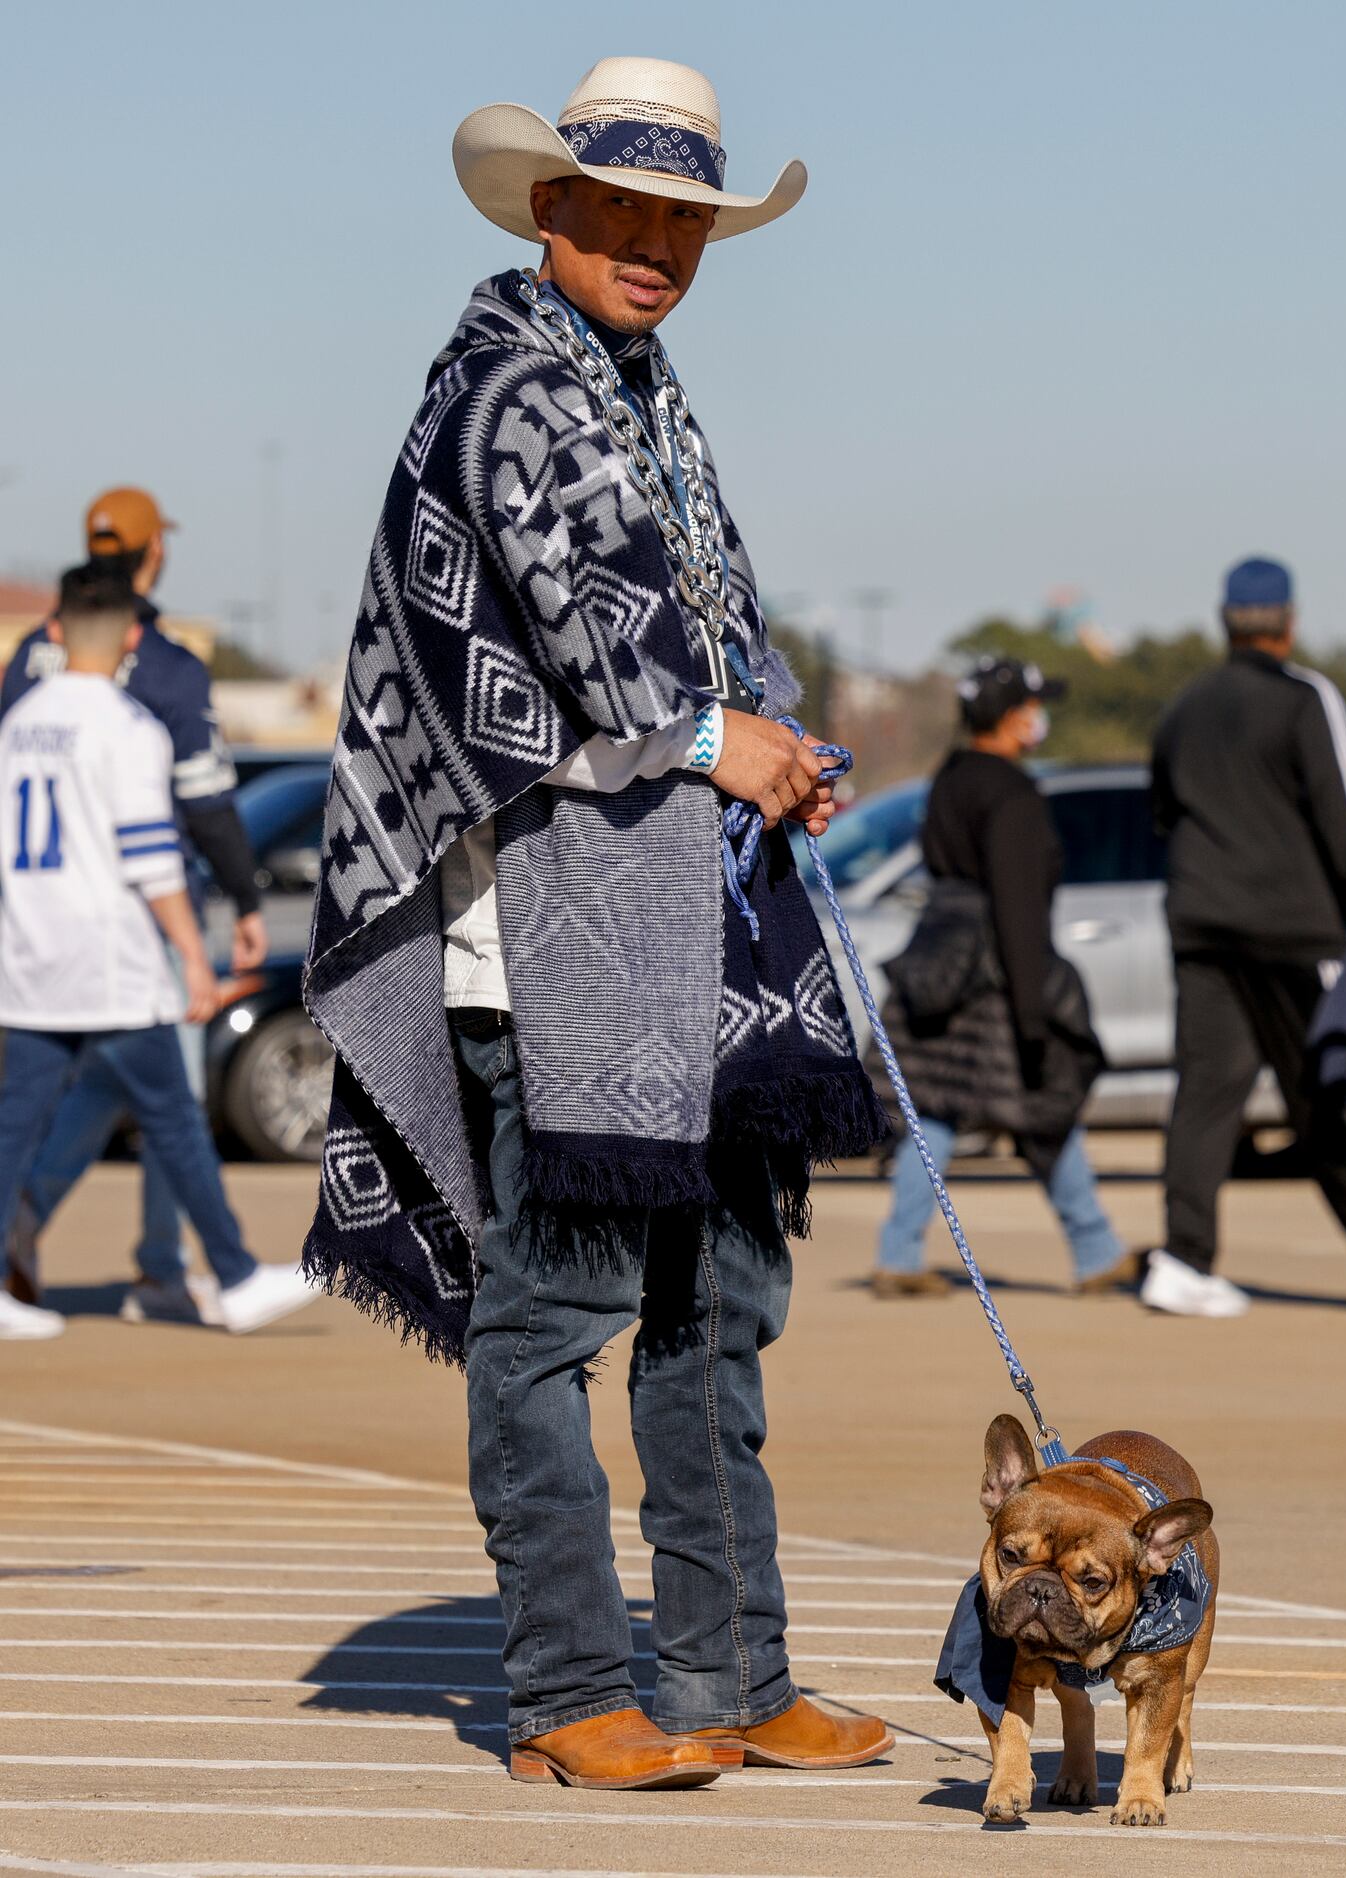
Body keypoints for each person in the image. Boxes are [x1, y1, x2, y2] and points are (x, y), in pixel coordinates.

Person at [300, 58, 892, 1792]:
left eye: (682, 222)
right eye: (624, 212)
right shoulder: (500, 396)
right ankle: (568, 1688)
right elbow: (577, 664)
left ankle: (726, 1668)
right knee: (552, 1310)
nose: (656, 247)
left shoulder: (640, 398)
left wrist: (770, 750)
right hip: (544, 941)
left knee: (718, 1309)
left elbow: (709, 642)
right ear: (550, 210)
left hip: (686, 939)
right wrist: (728, 738)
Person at [0, 564, 316, 1340]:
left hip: (29, 958)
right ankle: (235, 1277)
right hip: (109, 961)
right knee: (173, 1115)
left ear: (54, 631)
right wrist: (195, 960)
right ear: (133, 639)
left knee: (16, 1121)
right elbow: (152, 861)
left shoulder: (17, 724)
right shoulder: (129, 728)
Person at [1144, 556, 1346, 1317]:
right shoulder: (1306, 697)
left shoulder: (1184, 706)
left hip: (1200, 922)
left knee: (1206, 1096)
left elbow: (1160, 810)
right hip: (1287, 928)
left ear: (1226, 621)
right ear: (1289, 621)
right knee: (1327, 1091)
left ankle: (1182, 1262)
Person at [867, 658, 1135, 1297]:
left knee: (934, 1110)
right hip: (993, 976)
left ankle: (900, 1255)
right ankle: (1095, 1251)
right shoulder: (1012, 792)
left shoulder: (951, 778)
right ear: (1013, 719)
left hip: (939, 960)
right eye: (1034, 706)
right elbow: (1018, 908)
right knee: (1045, 1106)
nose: (1040, 718)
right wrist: (1034, 1009)